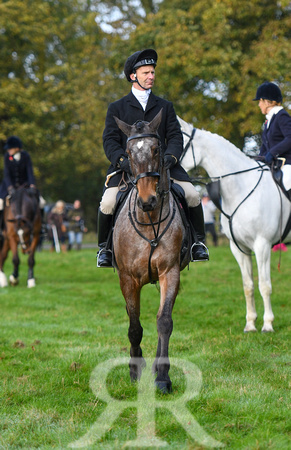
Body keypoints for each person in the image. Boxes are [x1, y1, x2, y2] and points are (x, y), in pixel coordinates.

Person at [97, 48, 209, 267]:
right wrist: (123, 162)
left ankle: (198, 244)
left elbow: (176, 136)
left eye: (153, 72)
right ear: (133, 76)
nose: (151, 76)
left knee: (193, 195)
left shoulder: (165, 106)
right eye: (146, 73)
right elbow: (110, 141)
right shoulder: (117, 108)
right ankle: (105, 249)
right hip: (126, 169)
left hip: (164, 167)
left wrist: (170, 158)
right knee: (108, 203)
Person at [0, 135, 46, 235]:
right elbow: (7, 175)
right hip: (9, 186)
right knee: (0, 203)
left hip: (24, 186)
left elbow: (30, 172)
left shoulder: (26, 156)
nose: (8, 150)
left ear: (17, 148)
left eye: (10, 148)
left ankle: (41, 226)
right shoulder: (7, 157)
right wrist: (10, 187)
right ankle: (2, 228)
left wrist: (32, 185)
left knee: (42, 202)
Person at [253, 81, 291, 198]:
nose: (259, 105)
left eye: (260, 101)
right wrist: (258, 159)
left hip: (288, 164)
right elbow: (265, 146)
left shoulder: (281, 116)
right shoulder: (268, 121)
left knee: (285, 184)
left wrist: (272, 153)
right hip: (275, 165)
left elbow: (290, 138)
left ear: (267, 101)